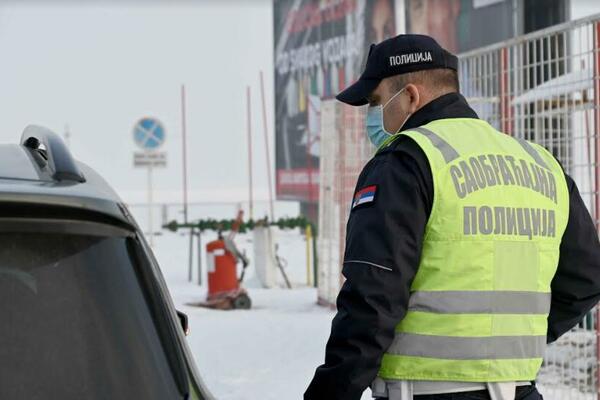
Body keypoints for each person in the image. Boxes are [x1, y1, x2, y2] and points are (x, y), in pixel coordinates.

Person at [304, 34, 600, 400]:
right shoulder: (541, 165)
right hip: (521, 392)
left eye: (377, 101)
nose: (373, 116)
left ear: (410, 96)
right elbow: (586, 280)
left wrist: (330, 392)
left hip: (426, 391)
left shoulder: (406, 162)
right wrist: (511, 341)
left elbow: (372, 298)